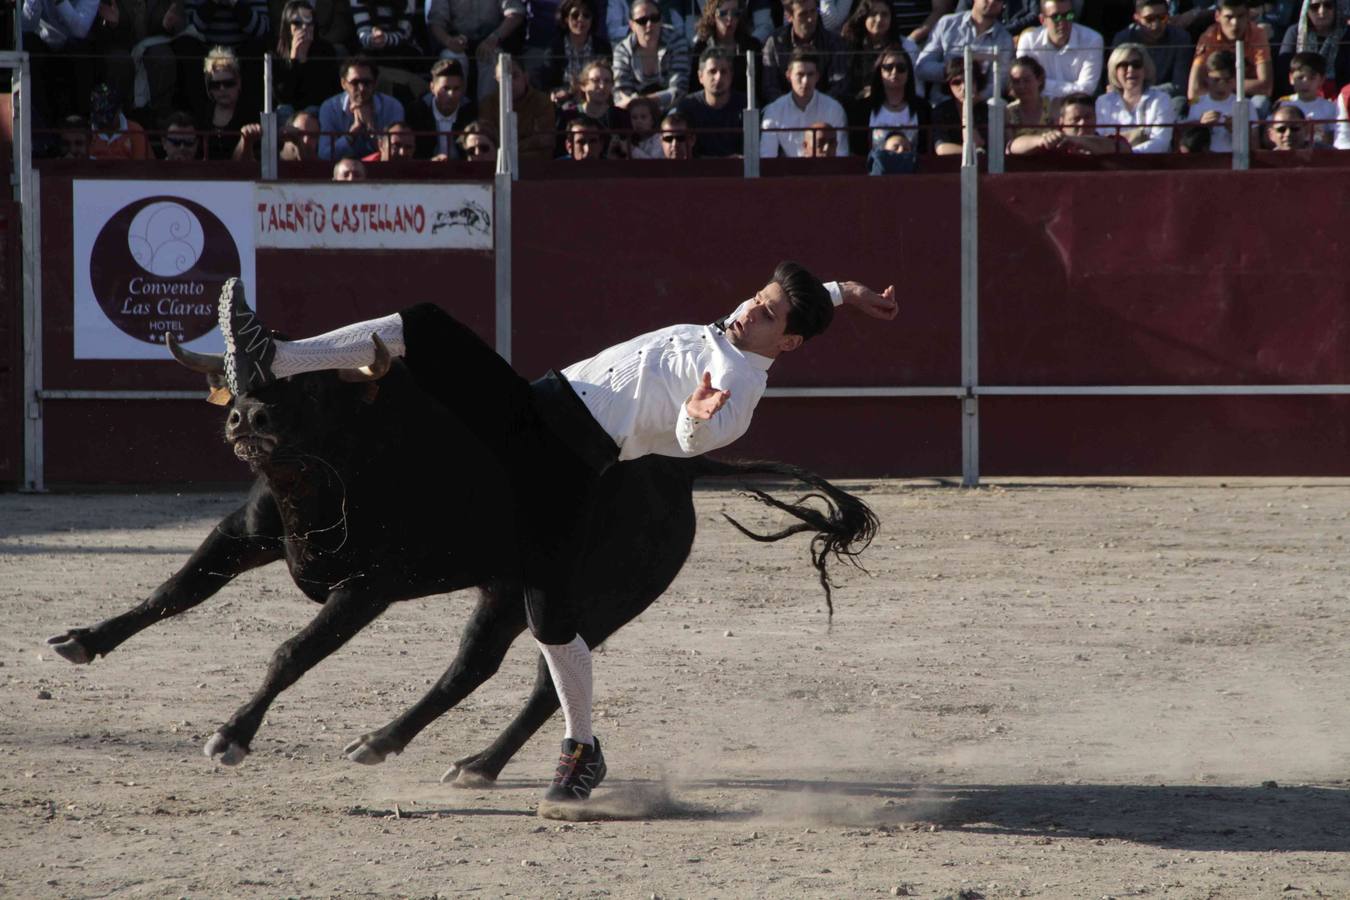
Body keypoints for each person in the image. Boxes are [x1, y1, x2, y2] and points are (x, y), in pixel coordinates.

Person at [214, 264, 897, 812]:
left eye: (769, 314)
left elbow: (695, 441)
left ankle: (581, 747)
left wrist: (692, 416)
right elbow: (793, 300)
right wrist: (844, 291)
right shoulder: (740, 330)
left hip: (567, 465)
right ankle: (278, 356)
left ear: (788, 344)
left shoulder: (737, 391)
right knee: (424, 326)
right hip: (538, 403)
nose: (750, 310)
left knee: (550, 621)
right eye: (756, 298)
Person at [426, 0, 527, 102]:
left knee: (493, 59)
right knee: (451, 59)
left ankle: (486, 109)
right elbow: (435, 21)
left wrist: (494, 38)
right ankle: (457, 109)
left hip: (491, 41)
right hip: (457, 41)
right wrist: (448, 41)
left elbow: (516, 13)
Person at [915, 0, 1015, 102]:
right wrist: (951, 71)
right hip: (941, 102)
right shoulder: (947, 24)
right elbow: (922, 67)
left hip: (980, 106)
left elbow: (999, 83)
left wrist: (975, 99)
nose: (992, 1)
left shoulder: (1005, 39)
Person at [760, 49, 850, 155]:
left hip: (826, 166)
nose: (805, 81)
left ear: (817, 76)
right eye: (800, 74)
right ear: (789, 76)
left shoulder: (834, 109)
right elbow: (767, 156)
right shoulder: (773, 111)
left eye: (810, 74)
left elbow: (841, 154)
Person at [318, 56, 406, 159]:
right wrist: (351, 135)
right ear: (343, 83)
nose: (361, 88)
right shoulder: (330, 108)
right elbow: (325, 155)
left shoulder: (392, 107)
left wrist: (371, 128)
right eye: (355, 83)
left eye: (367, 82)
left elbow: (397, 153)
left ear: (375, 83)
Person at [1095, 42, 1176, 152]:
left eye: (1136, 64)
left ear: (1145, 69)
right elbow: (1100, 140)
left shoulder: (1161, 100)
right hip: (1111, 161)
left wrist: (1129, 153)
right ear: (1115, 71)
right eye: (1123, 65)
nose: (1130, 69)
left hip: (1151, 161)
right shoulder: (1103, 102)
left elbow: (1161, 142)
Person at [761, 0, 848, 102]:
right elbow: (770, 87)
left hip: (825, 108)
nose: (810, 19)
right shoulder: (775, 42)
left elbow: (839, 85)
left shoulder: (833, 43)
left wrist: (816, 106)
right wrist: (792, 106)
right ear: (789, 16)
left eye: (813, 11)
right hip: (783, 109)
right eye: (803, 14)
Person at [1188, 0, 1273, 104]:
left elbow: (1266, 87)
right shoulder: (1208, 38)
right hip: (1216, 95)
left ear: (1248, 15)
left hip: (1247, 95)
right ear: (1217, 16)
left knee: (1261, 102)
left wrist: (1225, 84)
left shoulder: (1258, 34)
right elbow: (1194, 90)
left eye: (1240, 16)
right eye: (1229, 17)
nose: (1235, 23)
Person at [613, 0, 692, 111]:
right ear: (632, 25)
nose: (649, 24)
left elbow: (679, 89)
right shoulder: (622, 50)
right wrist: (641, 106)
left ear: (661, 20)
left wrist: (644, 101)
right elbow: (621, 94)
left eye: (655, 18)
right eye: (642, 21)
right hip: (634, 112)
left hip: (672, 109)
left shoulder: (677, 42)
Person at [1110, 0, 1194, 104]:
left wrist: (1141, 92)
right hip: (1128, 99)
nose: (1156, 24)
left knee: (1179, 102)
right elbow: (1114, 82)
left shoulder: (1181, 38)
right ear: (1137, 18)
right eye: (1149, 19)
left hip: (1165, 99)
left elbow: (1179, 86)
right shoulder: (1123, 39)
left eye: (1162, 18)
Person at [1015, 0, 1104, 98]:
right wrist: (1074, 87)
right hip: (1038, 104)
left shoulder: (1092, 40)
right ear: (1042, 20)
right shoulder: (1029, 39)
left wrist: (1040, 84)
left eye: (1068, 15)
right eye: (1056, 17)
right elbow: (1024, 83)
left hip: (1076, 105)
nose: (1063, 22)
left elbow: (1087, 89)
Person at [852, 45, 931, 153]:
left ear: (908, 72)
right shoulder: (863, 108)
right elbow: (858, 150)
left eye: (901, 68)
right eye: (888, 67)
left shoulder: (923, 107)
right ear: (880, 71)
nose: (894, 72)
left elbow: (926, 149)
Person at [482, 55, 559, 160]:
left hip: (535, 163)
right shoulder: (488, 104)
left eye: (515, 76)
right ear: (496, 81)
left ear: (526, 77)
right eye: (503, 78)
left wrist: (510, 150)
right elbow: (487, 144)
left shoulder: (542, 101)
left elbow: (546, 141)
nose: (510, 82)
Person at [676, 46, 747, 158]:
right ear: (700, 76)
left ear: (731, 75)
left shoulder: (746, 105)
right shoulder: (687, 107)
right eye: (712, 71)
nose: (718, 77)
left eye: (724, 72)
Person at [273, 0, 340, 115]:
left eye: (309, 23)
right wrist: (294, 61)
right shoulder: (276, 52)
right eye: (297, 23)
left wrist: (305, 61)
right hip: (288, 111)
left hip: (315, 109)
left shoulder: (326, 50)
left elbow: (323, 93)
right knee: (284, 110)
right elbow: (282, 97)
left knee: (312, 110)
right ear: (288, 25)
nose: (304, 27)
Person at [839, 0, 920, 94]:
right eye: (873, 14)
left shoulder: (907, 47)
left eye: (884, 14)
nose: (879, 19)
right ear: (863, 17)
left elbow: (917, 90)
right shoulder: (847, 45)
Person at [1009, 90, 1131, 152]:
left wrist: (1074, 140)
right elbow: (1012, 147)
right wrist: (1041, 140)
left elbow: (1123, 149)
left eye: (1088, 117)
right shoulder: (1054, 144)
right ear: (1061, 122)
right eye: (1075, 119)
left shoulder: (1110, 141)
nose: (1082, 123)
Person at [193, 45, 258, 160]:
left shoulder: (251, 114)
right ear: (209, 88)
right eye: (215, 85)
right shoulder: (202, 114)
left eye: (228, 83)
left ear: (239, 83)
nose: (222, 89)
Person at [557, 59, 632, 155]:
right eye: (595, 81)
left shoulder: (621, 116)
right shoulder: (568, 115)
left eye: (607, 81)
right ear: (583, 85)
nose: (602, 86)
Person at [542, 0, 612, 102]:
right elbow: (548, 83)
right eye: (575, 15)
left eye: (586, 15)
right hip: (564, 101)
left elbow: (608, 79)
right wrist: (560, 93)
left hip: (596, 99)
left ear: (592, 19)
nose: (580, 19)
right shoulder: (554, 48)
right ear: (566, 19)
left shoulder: (603, 47)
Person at [407, 58, 479, 159]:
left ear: (463, 89)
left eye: (456, 89)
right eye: (445, 88)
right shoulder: (417, 111)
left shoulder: (471, 112)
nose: (451, 95)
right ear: (432, 88)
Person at [1275, 0, 1349, 96]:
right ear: (1306, 9)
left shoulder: (1347, 34)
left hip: (1341, 96)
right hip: (1299, 95)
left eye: (1328, 5)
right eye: (1315, 7)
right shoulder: (1295, 32)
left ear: (1336, 9)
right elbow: (1284, 69)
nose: (1322, 11)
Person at [690, 0, 763, 95]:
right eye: (723, 13)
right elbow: (694, 88)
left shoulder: (752, 46)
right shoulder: (702, 47)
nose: (729, 18)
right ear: (713, 16)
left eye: (735, 13)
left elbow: (759, 88)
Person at [931, 55, 988, 154]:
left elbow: (977, 143)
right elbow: (941, 148)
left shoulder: (986, 110)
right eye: (957, 82)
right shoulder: (941, 111)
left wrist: (967, 111)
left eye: (969, 81)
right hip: (952, 162)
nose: (964, 87)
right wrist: (970, 153)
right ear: (948, 85)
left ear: (977, 82)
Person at [1277, 51, 1337, 144]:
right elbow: (1269, 136)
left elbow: (1335, 140)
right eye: (1300, 77)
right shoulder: (1283, 104)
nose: (1305, 83)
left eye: (1312, 78)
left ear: (1322, 80)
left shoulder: (1330, 108)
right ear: (1291, 78)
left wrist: (1317, 132)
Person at [1183, 48, 1236, 150]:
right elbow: (1186, 143)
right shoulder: (1196, 102)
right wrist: (1201, 126)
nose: (1221, 86)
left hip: (1233, 158)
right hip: (1203, 157)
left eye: (1227, 80)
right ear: (1206, 77)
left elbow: (1254, 145)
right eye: (1216, 80)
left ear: (1234, 79)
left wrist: (1236, 131)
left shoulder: (1246, 104)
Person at [1004, 53, 1054, 141]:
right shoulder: (1007, 113)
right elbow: (1010, 145)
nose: (1021, 86)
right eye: (1016, 81)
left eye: (1027, 80)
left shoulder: (1053, 107)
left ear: (1039, 80)